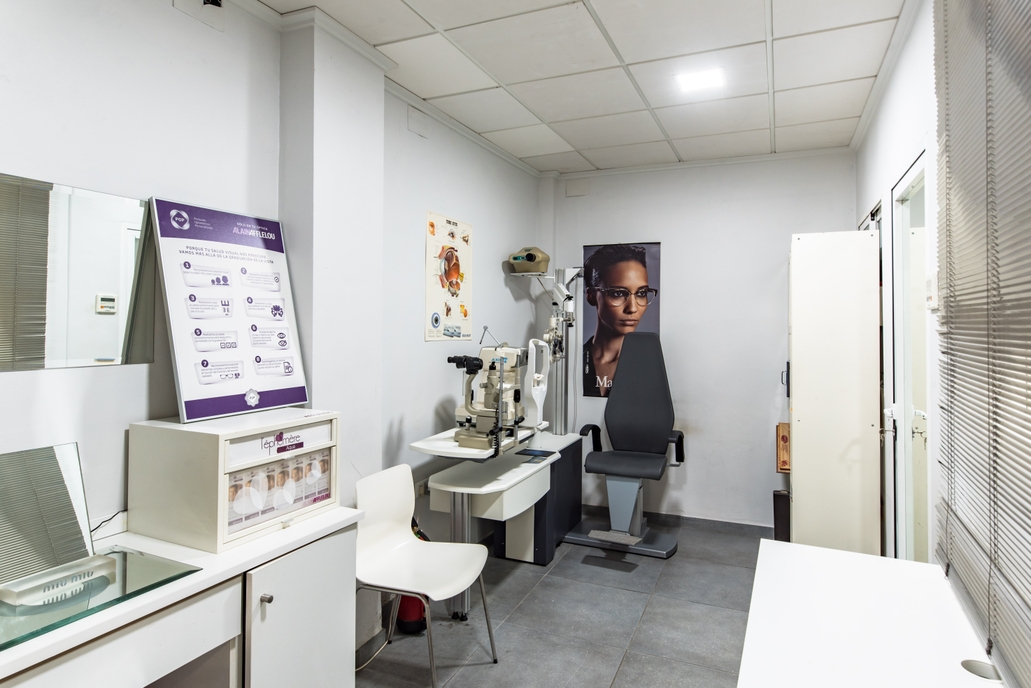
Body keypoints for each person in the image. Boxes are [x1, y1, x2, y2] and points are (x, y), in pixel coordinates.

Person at [583, 244, 658, 397]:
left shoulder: (651, 365)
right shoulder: (573, 361)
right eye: (618, 293)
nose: (632, 308)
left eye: (641, 293)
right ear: (591, 296)